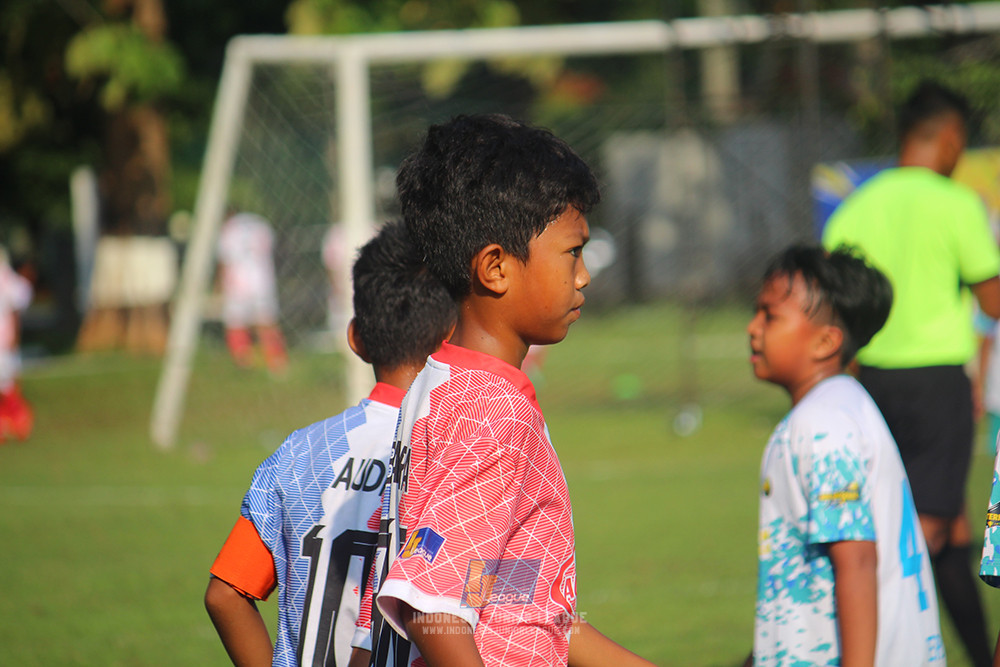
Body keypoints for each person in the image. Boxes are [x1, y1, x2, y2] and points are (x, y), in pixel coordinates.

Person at [355, 114, 655, 667]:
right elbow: (433, 608)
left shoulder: (443, 385)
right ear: (495, 268)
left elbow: (514, 605)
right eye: (572, 252)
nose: (584, 275)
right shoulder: (490, 413)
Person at [204, 221, 456, 667]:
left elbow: (225, 594)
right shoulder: (456, 454)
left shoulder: (297, 456)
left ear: (355, 338)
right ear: (450, 336)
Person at [822, 80, 1000, 667]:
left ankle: (977, 653)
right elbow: (993, 297)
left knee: (948, 530)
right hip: (938, 385)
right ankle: (829, 636)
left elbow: (835, 308)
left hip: (869, 384)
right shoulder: (956, 203)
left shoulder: (854, 207)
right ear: (948, 138)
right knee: (919, 535)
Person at [746, 244, 944, 665]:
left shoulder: (823, 424)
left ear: (825, 341)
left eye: (770, 316)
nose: (753, 327)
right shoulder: (845, 405)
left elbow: (854, 561)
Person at [216, 209, 288, 374]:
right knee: (266, 321)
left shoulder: (229, 229)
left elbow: (225, 259)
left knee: (236, 322)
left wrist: (219, 283)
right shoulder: (261, 224)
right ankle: (276, 361)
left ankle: (243, 360)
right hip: (262, 279)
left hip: (237, 281)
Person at [0, 246, 33, 442]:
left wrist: (14, 334)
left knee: (8, 385)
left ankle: (19, 421)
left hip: (4, 342)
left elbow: (16, 306)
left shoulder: (6, 280)